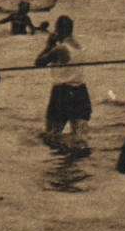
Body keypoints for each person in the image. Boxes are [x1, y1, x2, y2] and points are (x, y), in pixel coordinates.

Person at [34, 15, 90, 147]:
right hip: (81, 92)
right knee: (80, 137)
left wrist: (49, 44)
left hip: (63, 92)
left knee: (51, 134)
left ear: (58, 30)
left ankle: (58, 162)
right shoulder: (79, 46)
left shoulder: (60, 49)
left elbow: (38, 62)